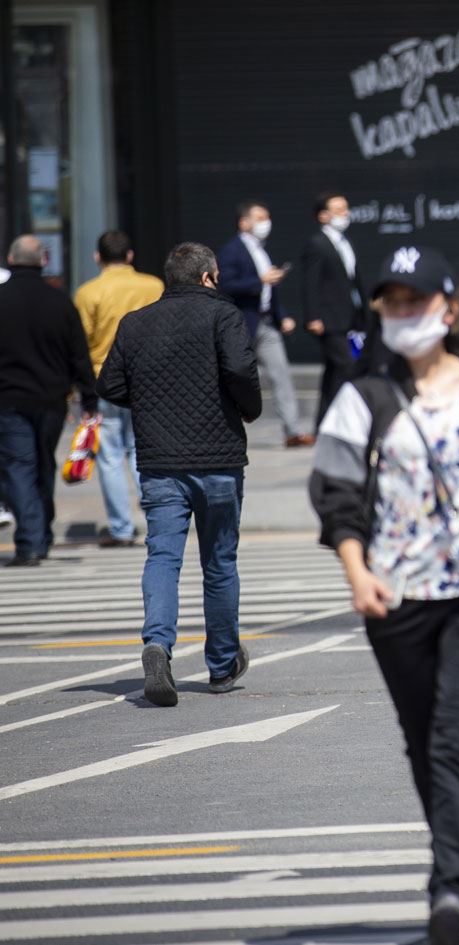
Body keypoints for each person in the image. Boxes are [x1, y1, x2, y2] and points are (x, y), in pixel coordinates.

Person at [309, 246, 459, 945]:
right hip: (399, 596)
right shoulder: (364, 396)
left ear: (448, 307)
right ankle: (455, 872)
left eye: (418, 300)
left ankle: (452, 887)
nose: (406, 313)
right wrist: (357, 571)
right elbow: (336, 492)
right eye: (394, 302)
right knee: (424, 741)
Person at [98, 242, 262, 707]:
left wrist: (151, 405)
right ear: (209, 276)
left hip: (160, 461)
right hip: (218, 457)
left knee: (163, 557)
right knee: (219, 562)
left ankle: (157, 644)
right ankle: (222, 664)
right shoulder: (223, 315)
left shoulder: (136, 322)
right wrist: (249, 409)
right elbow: (239, 368)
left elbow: (109, 384)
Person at [0, 236, 98, 566]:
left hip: (9, 399)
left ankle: (30, 541)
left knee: (18, 467)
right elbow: (78, 355)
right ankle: (41, 535)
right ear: (43, 261)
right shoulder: (59, 302)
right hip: (53, 400)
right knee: (43, 464)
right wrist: (89, 398)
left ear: (11, 259)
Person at [74, 230, 163, 547]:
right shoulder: (154, 286)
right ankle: (158, 519)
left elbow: (81, 343)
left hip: (105, 379)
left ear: (97, 257)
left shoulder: (88, 293)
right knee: (144, 452)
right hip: (151, 379)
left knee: (110, 456)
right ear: (130, 256)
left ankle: (122, 528)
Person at [220, 201, 313, 448]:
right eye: (259, 217)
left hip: (266, 322)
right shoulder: (232, 251)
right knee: (233, 375)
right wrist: (258, 280)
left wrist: (282, 317)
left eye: (267, 217)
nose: (265, 222)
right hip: (242, 323)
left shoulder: (262, 250)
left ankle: (292, 431)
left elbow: (269, 292)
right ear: (244, 222)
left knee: (281, 375)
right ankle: (224, 429)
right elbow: (226, 285)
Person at [300, 192, 367, 422]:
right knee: (348, 366)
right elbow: (311, 283)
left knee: (333, 373)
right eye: (338, 210)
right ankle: (345, 420)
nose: (345, 214)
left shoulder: (346, 242)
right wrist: (313, 316)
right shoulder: (317, 244)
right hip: (329, 318)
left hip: (350, 315)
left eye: (346, 209)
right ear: (323, 216)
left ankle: (324, 422)